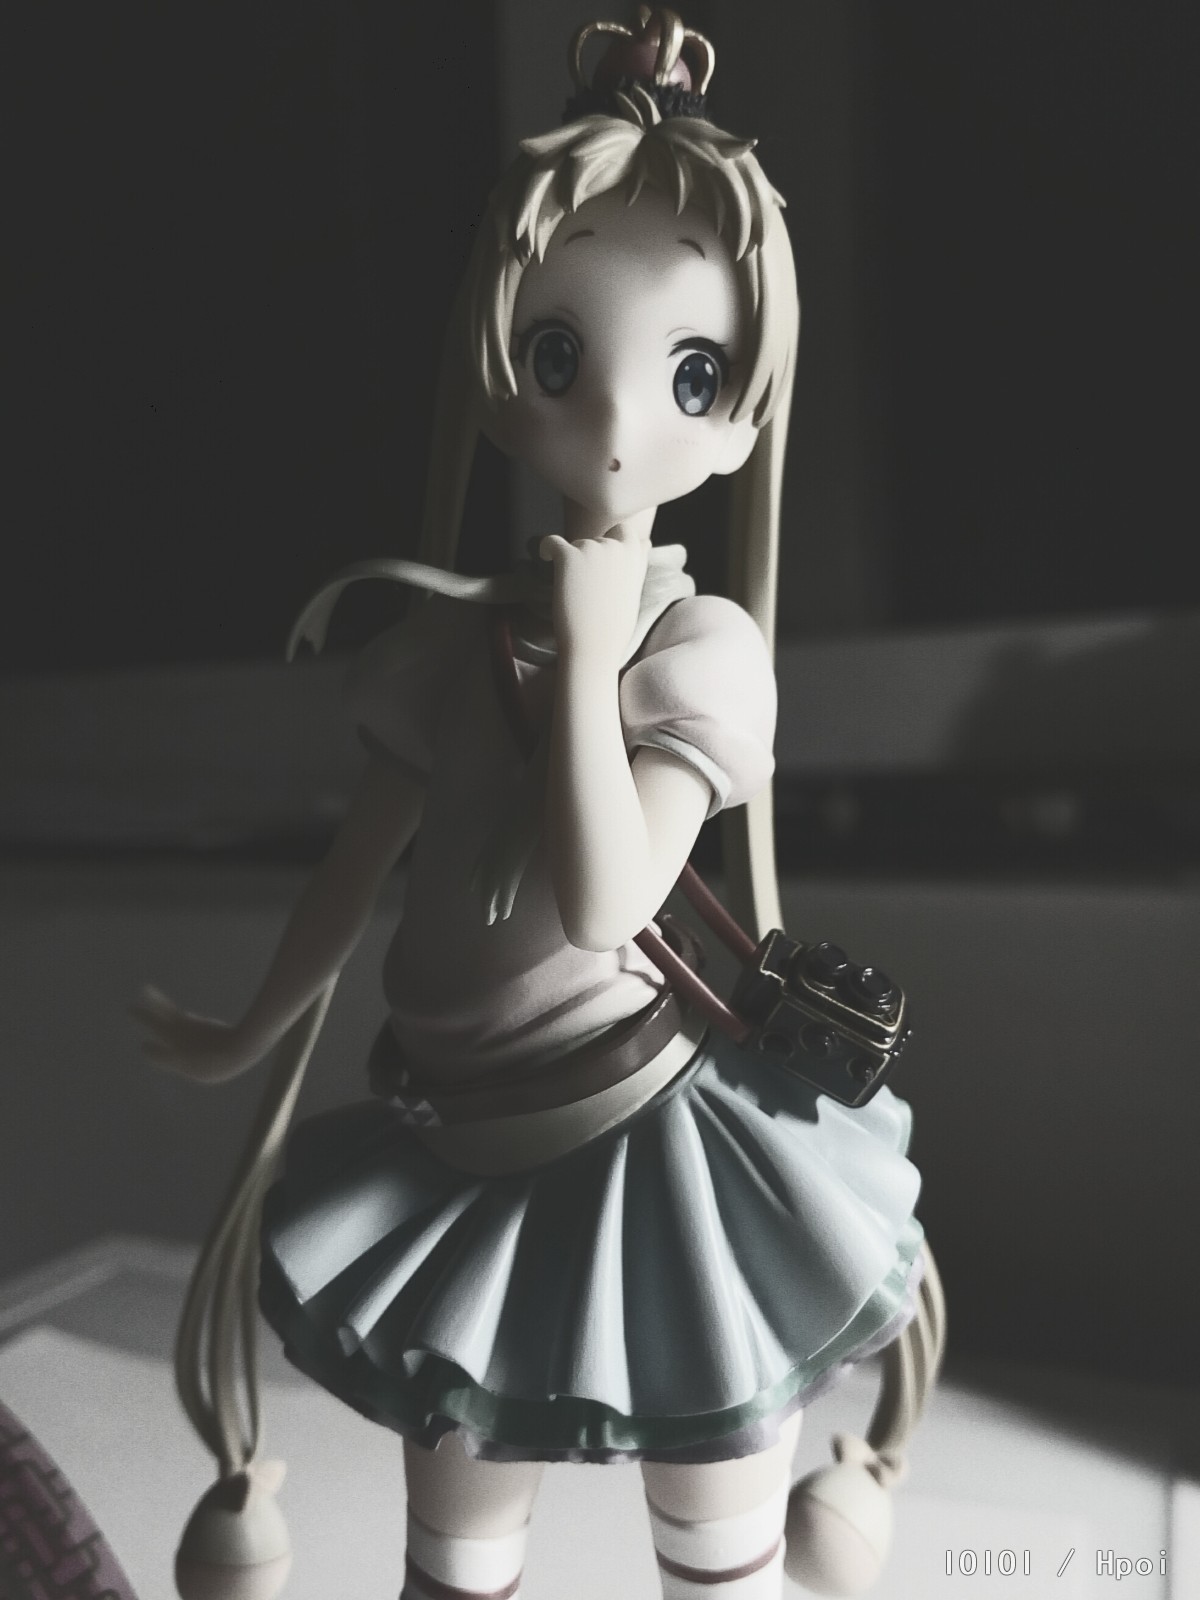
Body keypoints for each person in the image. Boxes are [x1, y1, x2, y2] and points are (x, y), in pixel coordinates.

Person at [135, 11, 944, 1598]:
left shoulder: (700, 653)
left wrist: (584, 666)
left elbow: (607, 898)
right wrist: (244, 1030)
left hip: (658, 1148)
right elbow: (359, 865)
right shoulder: (441, 650)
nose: (624, 423)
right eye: (561, 355)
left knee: (711, 1534)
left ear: (741, 414)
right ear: (499, 364)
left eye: (693, 373)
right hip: (460, 1147)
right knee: (458, 1537)